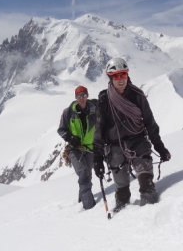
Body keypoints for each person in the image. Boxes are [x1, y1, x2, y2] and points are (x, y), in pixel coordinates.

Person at [93, 57, 171, 212]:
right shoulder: (104, 101)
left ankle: (151, 214)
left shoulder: (137, 96)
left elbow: (150, 123)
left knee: (146, 180)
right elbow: (99, 132)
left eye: (123, 75)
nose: (120, 79)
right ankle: (124, 219)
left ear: (127, 75)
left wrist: (160, 147)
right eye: (116, 76)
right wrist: (97, 159)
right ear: (110, 77)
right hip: (115, 148)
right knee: (121, 189)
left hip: (138, 142)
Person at [57, 85, 97, 210]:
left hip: (90, 148)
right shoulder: (68, 112)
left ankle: (82, 199)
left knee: (87, 175)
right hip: (75, 149)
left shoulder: (94, 109)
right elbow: (61, 130)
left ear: (87, 96)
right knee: (84, 173)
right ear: (75, 97)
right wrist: (71, 138)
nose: (81, 98)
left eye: (83, 95)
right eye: (79, 96)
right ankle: (89, 206)